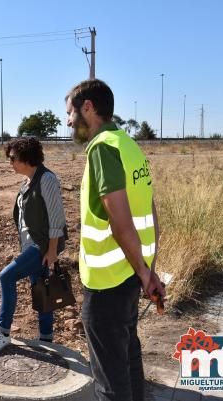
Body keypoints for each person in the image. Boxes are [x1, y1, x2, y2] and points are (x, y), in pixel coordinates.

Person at [65, 79, 165, 401]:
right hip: (132, 274)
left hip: (107, 283)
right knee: (129, 358)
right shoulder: (129, 145)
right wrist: (147, 271)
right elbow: (149, 210)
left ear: (88, 108)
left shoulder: (103, 148)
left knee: (109, 381)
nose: (68, 121)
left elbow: (122, 223)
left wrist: (145, 271)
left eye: (70, 113)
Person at [0, 136, 67, 351]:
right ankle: (47, 339)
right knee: (41, 288)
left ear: (26, 158)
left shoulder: (47, 179)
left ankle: (2, 332)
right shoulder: (27, 182)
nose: (10, 163)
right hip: (31, 245)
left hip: (42, 246)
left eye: (13, 159)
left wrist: (51, 250)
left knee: (6, 276)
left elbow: (57, 217)